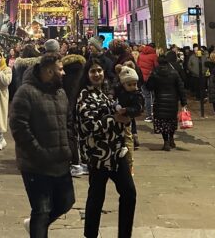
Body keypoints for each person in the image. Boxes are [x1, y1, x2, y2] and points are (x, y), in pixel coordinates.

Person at [10, 53, 74, 236]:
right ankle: (38, 227)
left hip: (61, 160)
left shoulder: (60, 92)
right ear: (48, 71)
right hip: (36, 164)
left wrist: (69, 145)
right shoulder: (26, 92)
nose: (63, 73)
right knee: (42, 210)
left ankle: (35, 226)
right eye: (59, 69)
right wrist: (38, 152)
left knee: (66, 201)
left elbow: (68, 121)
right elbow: (18, 126)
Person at [77, 57, 136, 238]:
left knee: (129, 193)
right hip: (99, 156)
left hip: (117, 153)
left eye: (100, 70)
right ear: (87, 75)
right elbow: (89, 126)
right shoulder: (84, 97)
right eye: (93, 71)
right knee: (96, 198)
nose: (97, 74)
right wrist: (114, 119)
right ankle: (90, 234)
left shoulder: (103, 93)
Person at [146, 52, 187, 151]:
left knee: (163, 121)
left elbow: (149, 86)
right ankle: (172, 138)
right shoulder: (174, 73)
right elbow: (180, 87)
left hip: (160, 100)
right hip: (172, 101)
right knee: (171, 120)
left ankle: (166, 142)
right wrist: (183, 101)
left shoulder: (155, 72)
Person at [136, 44, 158, 121]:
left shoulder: (140, 55)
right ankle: (154, 114)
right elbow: (156, 67)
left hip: (142, 78)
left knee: (147, 97)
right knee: (153, 96)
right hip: (151, 79)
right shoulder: (154, 56)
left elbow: (138, 66)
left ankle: (148, 115)